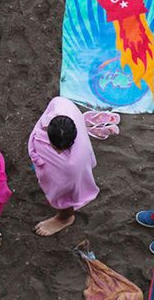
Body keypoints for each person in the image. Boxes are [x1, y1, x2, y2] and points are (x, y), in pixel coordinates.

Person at [28, 97, 100, 237]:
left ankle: (65, 218)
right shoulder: (60, 104)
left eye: (64, 148)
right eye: (56, 147)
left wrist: (52, 183)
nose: (59, 152)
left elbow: (65, 189)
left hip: (73, 170)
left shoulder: (73, 163)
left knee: (65, 196)